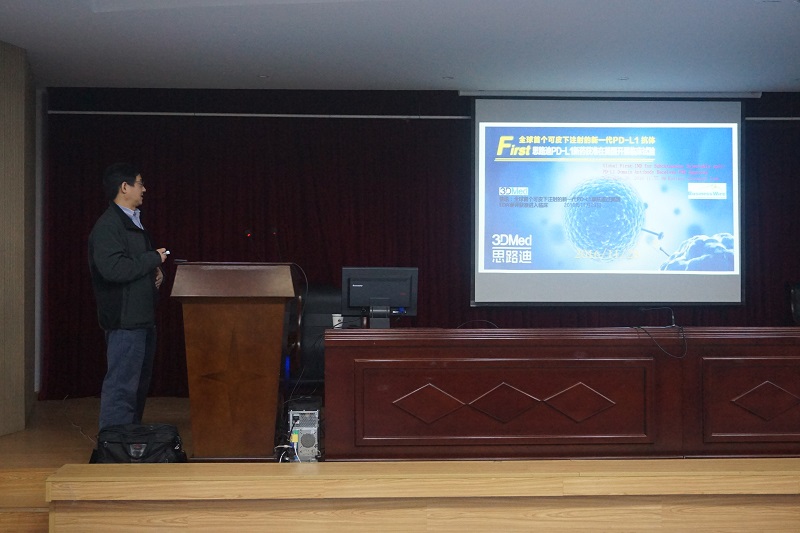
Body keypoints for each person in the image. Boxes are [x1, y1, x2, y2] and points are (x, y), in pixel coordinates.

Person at [88, 163, 168, 431]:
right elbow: (114, 269)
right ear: (125, 187)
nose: (144, 189)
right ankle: (113, 444)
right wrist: (153, 258)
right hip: (125, 321)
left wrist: (156, 272)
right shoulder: (109, 226)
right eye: (140, 183)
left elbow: (135, 263)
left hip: (142, 318)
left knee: (137, 386)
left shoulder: (133, 221)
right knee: (122, 386)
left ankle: (129, 440)